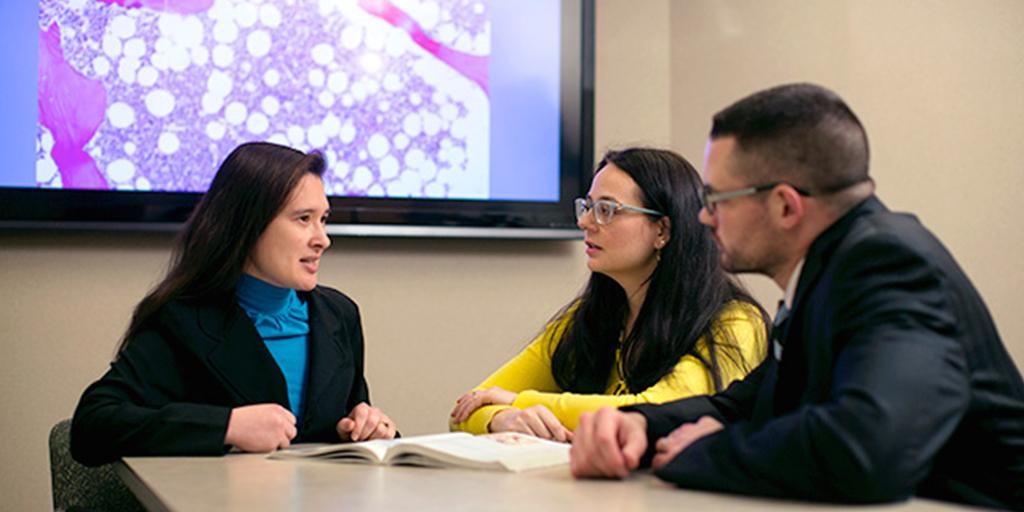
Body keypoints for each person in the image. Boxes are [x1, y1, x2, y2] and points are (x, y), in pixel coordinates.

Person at [569, 84, 1024, 509]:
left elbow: (864, 451)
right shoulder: (832, 270)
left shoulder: (889, 265)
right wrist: (640, 426)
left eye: (717, 199)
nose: (705, 218)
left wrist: (704, 453)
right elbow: (746, 404)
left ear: (786, 206)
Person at [71, 142, 397, 466]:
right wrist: (227, 426)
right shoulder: (182, 320)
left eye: (323, 219)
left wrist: (370, 428)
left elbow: (351, 424)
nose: (322, 239)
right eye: (303, 219)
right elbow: (92, 427)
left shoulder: (339, 315)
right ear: (248, 224)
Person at [449, 148, 768, 441]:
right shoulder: (589, 317)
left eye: (607, 210)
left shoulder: (735, 321)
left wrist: (520, 401)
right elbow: (467, 408)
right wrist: (502, 418)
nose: (585, 222)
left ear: (663, 231)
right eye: (587, 207)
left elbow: (658, 411)